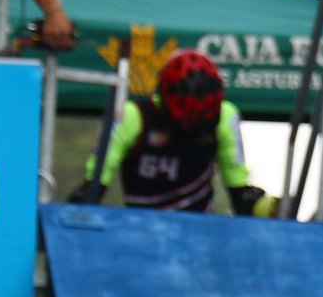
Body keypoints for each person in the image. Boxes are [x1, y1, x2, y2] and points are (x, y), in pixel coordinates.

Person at [72, 50, 277, 216]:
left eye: (201, 124)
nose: (191, 131)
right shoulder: (131, 117)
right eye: (185, 123)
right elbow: (93, 188)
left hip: (199, 233)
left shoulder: (226, 116)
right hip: (140, 231)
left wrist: (273, 208)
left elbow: (240, 194)